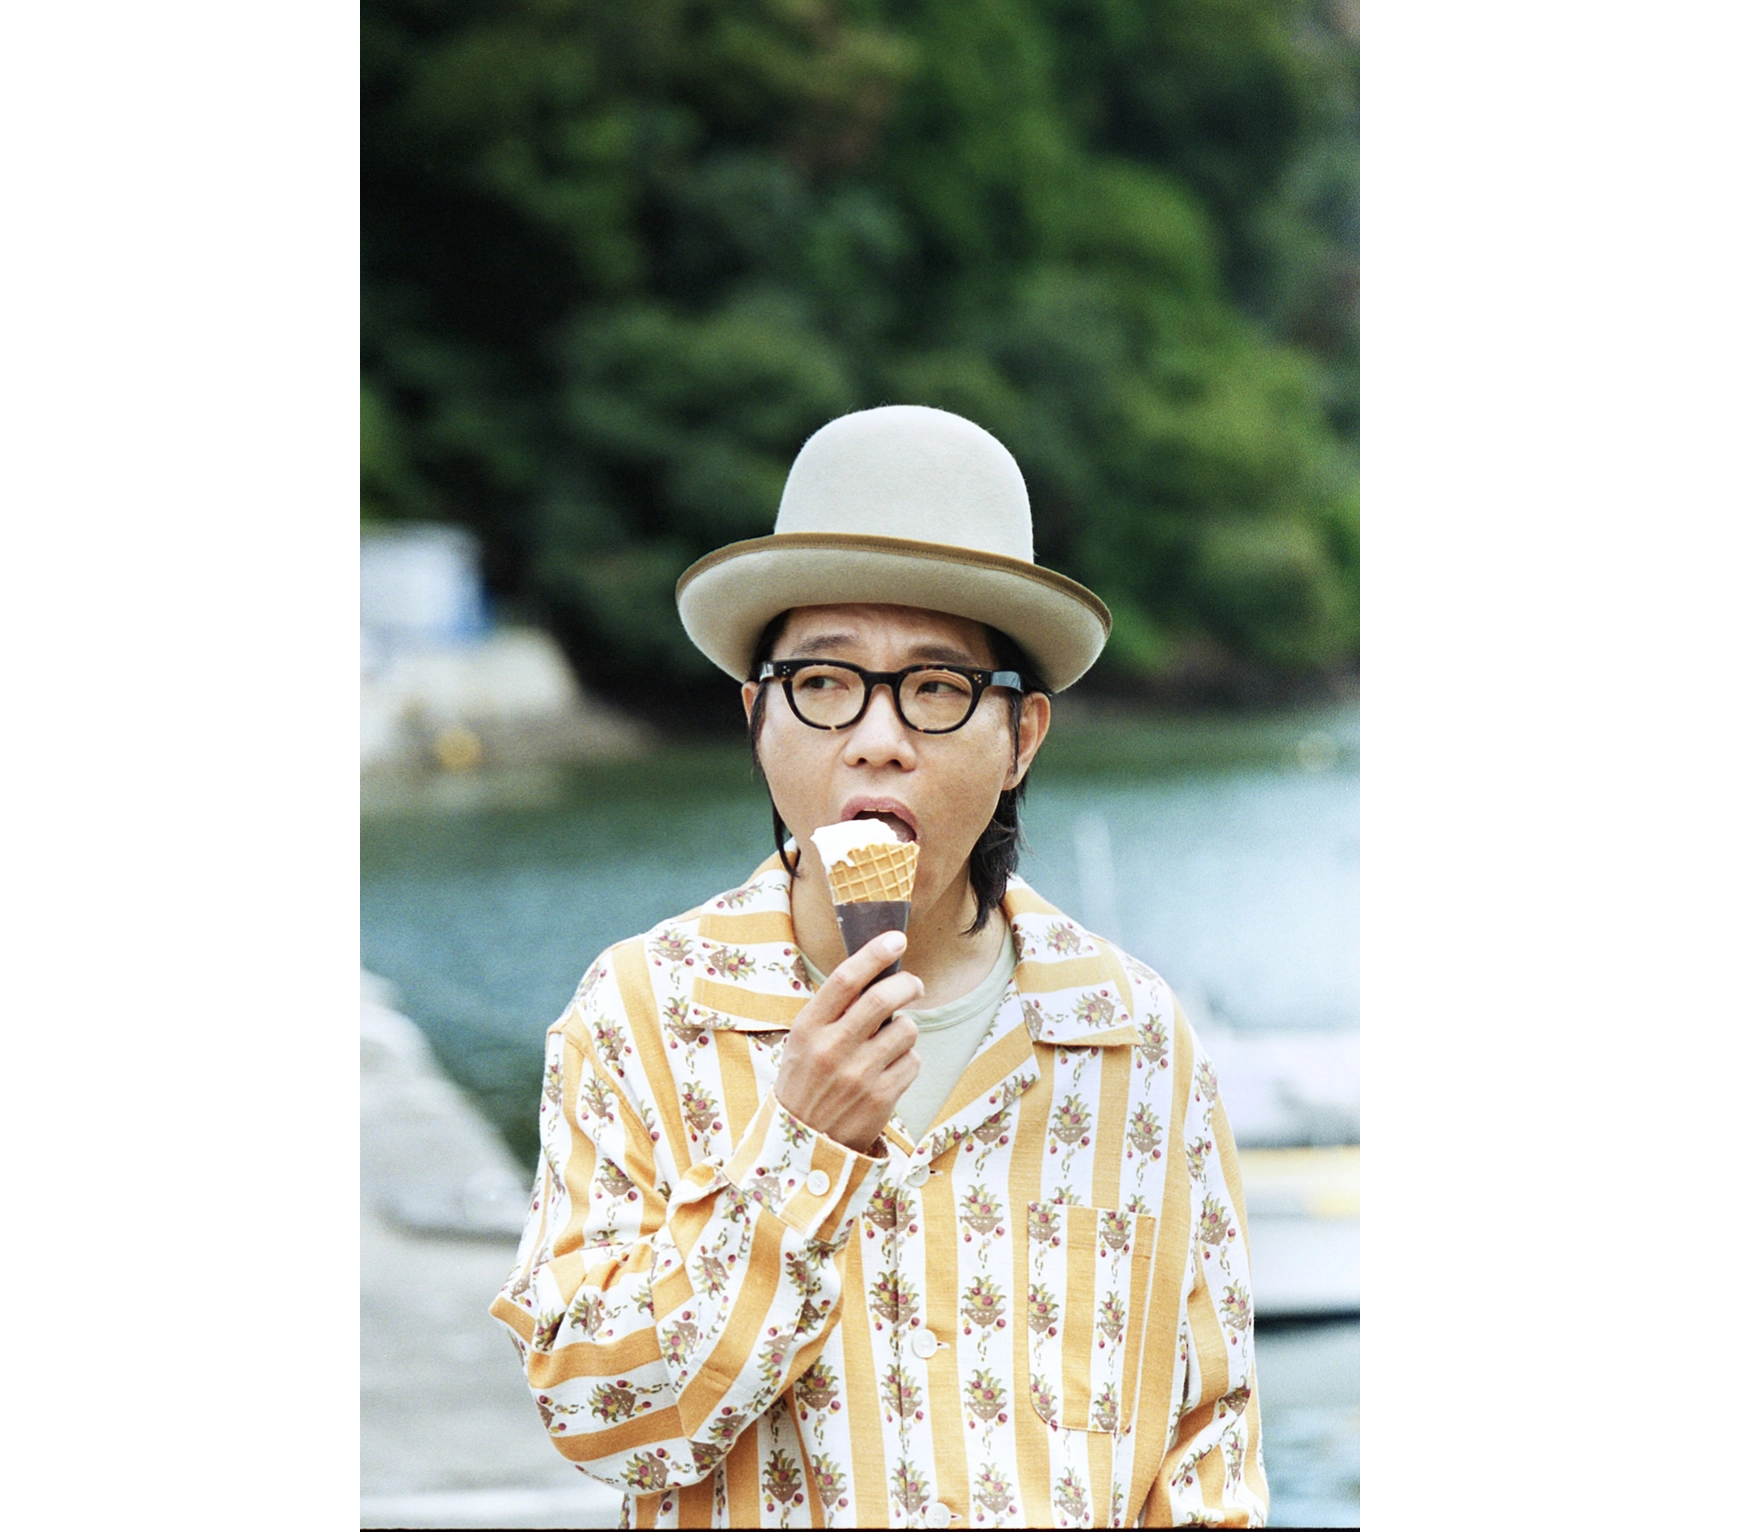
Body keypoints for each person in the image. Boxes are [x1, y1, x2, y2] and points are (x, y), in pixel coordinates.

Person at [490, 405, 1266, 1527]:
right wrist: (800, 1152)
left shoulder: (1132, 1036)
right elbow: (596, 1419)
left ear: (1022, 737)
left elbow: (1206, 1447)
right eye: (824, 680)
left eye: (938, 687)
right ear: (758, 716)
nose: (877, 737)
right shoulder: (643, 1012)